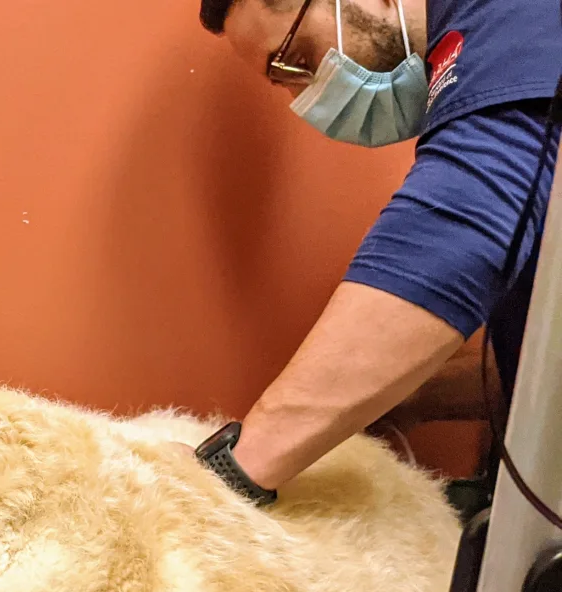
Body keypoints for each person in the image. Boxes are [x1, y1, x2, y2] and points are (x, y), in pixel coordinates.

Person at [191, 0, 561, 506]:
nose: (307, 97)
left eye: (298, 57)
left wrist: (237, 468)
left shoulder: (512, 16)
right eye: (284, 82)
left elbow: (464, 223)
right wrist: (406, 399)